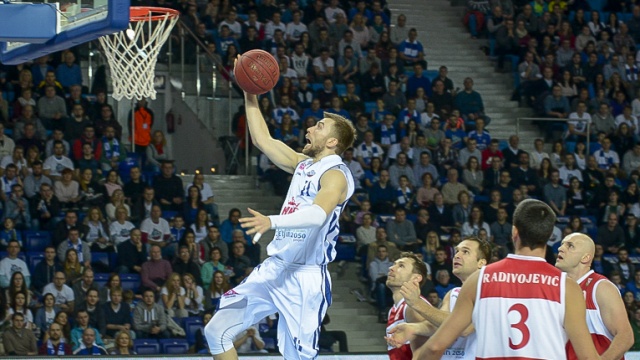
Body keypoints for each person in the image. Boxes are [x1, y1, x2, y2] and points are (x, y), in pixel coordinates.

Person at [205, 74, 356, 360]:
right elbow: (262, 139)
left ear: (333, 141)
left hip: (305, 277)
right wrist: (250, 94)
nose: (310, 128)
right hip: (275, 269)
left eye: (319, 126)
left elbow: (317, 214)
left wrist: (271, 221)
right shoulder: (303, 165)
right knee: (217, 331)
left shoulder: (336, 174)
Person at [416, 199, 600, 359]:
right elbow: (587, 357)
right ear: (549, 236)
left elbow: (435, 346)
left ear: (514, 231)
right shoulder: (566, 287)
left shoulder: (479, 279)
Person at [386, 236, 491, 358]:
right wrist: (413, 328)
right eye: (457, 251)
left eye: (465, 251)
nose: (457, 255)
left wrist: (418, 304)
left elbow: (465, 328)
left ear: (481, 263)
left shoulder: (487, 292)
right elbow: (437, 325)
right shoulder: (452, 293)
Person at [556, 233, 634, 358]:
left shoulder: (601, 287)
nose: (561, 248)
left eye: (570, 246)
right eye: (562, 244)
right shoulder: (557, 288)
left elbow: (625, 336)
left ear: (585, 258)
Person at [384, 252, 432, 359]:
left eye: (401, 266)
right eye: (393, 264)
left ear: (416, 278)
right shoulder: (393, 309)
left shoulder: (412, 307)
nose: (391, 268)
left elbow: (430, 347)